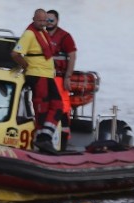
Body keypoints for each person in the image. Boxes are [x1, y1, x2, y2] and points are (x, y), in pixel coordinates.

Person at [11, 9, 64, 154]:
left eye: (44, 20)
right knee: (42, 107)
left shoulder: (43, 32)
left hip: (47, 75)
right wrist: (26, 65)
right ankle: (42, 139)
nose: (42, 23)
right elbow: (15, 54)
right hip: (37, 74)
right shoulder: (29, 34)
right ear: (33, 19)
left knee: (58, 106)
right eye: (39, 20)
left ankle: (44, 136)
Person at [46, 10, 77, 150]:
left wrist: (67, 77)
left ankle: (64, 138)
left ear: (57, 21)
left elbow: (72, 56)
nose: (48, 23)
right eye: (46, 20)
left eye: (51, 20)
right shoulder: (41, 35)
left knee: (62, 107)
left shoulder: (65, 37)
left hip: (59, 77)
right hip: (44, 76)